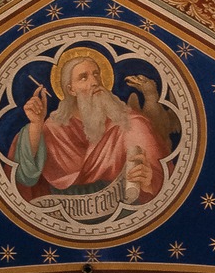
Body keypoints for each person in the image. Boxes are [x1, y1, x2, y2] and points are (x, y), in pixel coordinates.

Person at [11, 50, 177, 209]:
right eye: (84, 77)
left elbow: (161, 183)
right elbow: (25, 175)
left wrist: (149, 182)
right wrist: (36, 125)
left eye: (96, 74)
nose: (95, 82)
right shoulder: (54, 129)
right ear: (71, 89)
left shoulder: (130, 123)